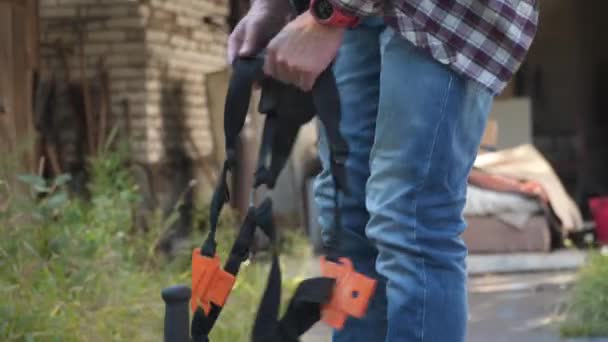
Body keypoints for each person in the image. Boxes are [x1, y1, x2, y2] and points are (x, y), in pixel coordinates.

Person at [227, 0, 539, 341]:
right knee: (347, 219)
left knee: (410, 221)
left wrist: (330, 15)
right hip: (359, 15)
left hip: (441, 12)